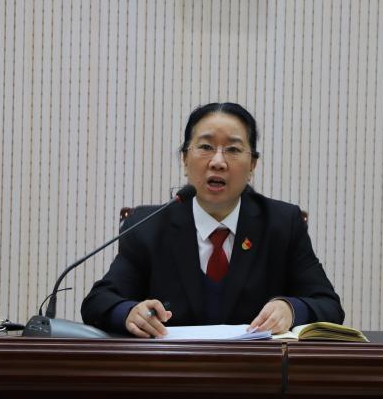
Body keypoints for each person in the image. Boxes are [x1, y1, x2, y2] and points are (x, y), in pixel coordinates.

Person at [81, 102, 344, 337]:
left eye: (233, 149)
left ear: (252, 165)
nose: (218, 162)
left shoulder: (282, 224)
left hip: (258, 371)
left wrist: (292, 309)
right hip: (170, 370)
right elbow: (98, 301)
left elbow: (329, 305)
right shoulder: (148, 225)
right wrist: (129, 312)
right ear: (185, 159)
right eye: (206, 147)